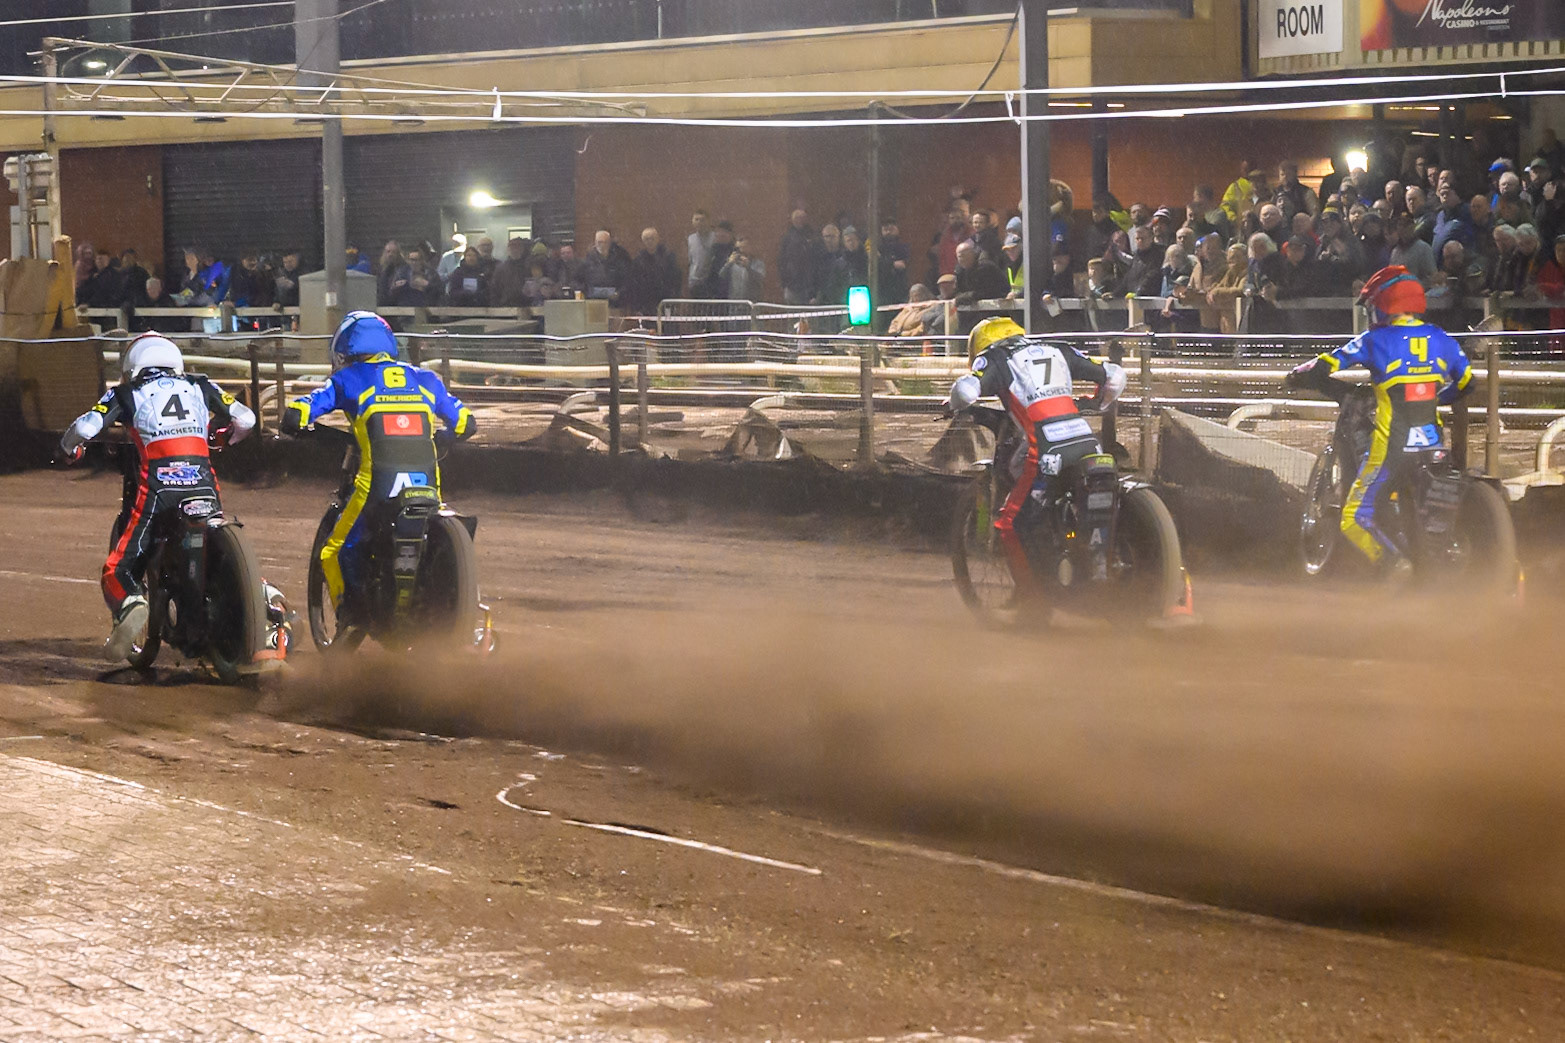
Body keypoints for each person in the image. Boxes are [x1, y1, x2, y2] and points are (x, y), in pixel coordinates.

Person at [59, 334, 256, 658]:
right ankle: (263, 602)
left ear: (132, 367)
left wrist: (67, 449)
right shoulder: (199, 384)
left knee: (116, 569)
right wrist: (224, 438)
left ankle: (132, 603)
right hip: (203, 481)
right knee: (213, 542)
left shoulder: (126, 393)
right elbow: (246, 419)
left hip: (159, 485)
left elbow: (85, 429)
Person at [280, 312, 475, 628]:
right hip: (427, 490)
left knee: (333, 550)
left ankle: (350, 619)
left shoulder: (349, 379)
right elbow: (467, 423)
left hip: (377, 487)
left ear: (344, 352)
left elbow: (298, 414)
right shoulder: (425, 379)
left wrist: (304, 427)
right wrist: (440, 439)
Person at [1283, 266, 1472, 573]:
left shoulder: (1373, 340)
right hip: (1433, 448)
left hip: (1392, 449)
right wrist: (1439, 397)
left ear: (1382, 305)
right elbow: (1467, 384)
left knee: (1354, 516)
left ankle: (1392, 562)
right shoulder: (1441, 338)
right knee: (1435, 508)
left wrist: (1297, 375)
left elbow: (1328, 363)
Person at [946, 317, 1126, 594]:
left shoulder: (995, 358)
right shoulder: (1058, 349)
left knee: (1011, 523)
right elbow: (1114, 376)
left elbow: (966, 391)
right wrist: (1096, 402)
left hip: (1046, 451)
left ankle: (1034, 602)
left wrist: (955, 401)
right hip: (1089, 444)